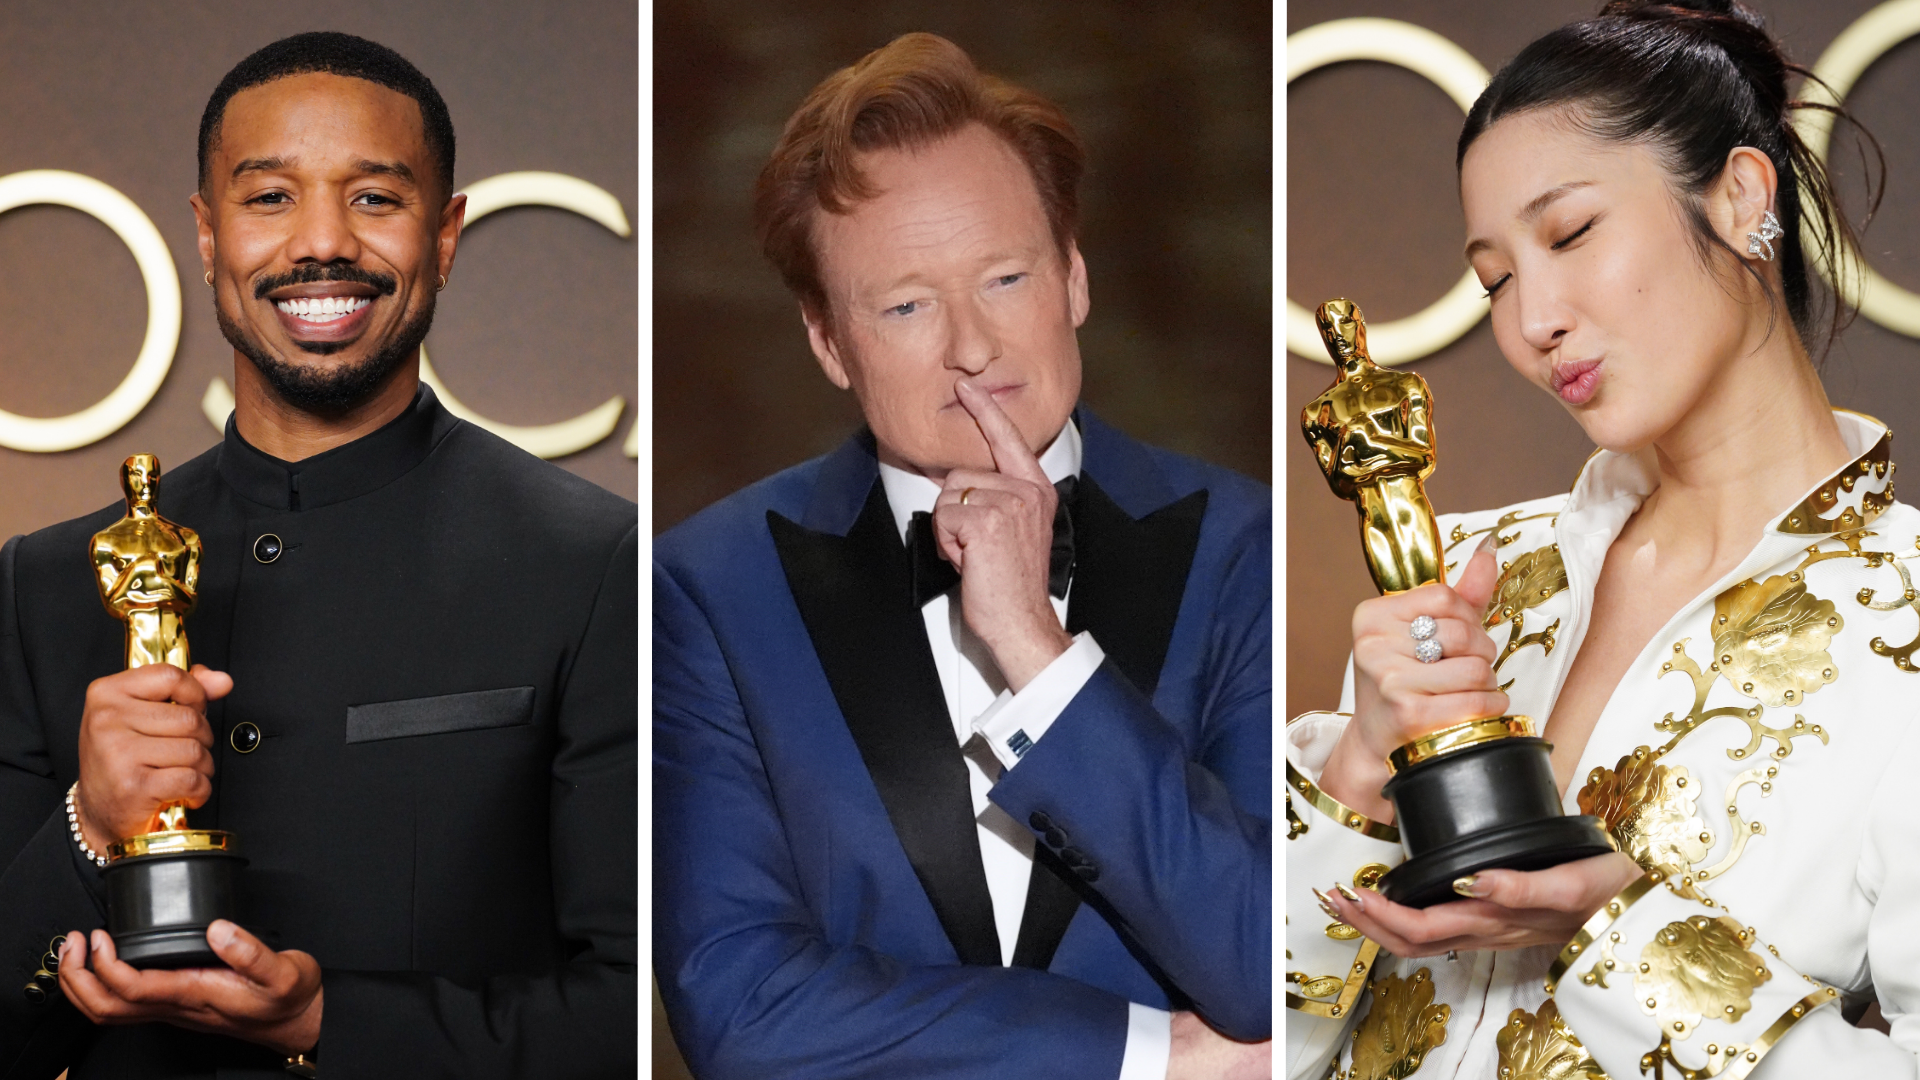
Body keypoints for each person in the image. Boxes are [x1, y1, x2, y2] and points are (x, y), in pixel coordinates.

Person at [1285, 2, 1919, 1077]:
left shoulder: (1902, 622)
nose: (1534, 319)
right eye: (1494, 279)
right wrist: (1349, 780)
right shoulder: (1465, 590)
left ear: (1739, 196)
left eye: (1570, 234)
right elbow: (1263, 1047)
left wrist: (1619, 927)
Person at [0, 32, 636, 1077]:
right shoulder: (45, 583)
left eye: (376, 199)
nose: (323, 244)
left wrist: (325, 1022)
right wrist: (87, 828)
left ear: (447, 235)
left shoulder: (590, 564)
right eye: (270, 199)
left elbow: (625, 1019)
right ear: (207, 236)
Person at [653, 33, 1271, 1080]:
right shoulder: (708, 587)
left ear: (1073, 277)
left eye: (1005, 277)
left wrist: (1036, 646)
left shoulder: (1240, 543)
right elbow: (739, 1007)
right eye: (905, 306)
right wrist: (1148, 1054)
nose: (973, 348)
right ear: (825, 340)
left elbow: (1267, 955)